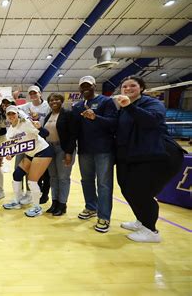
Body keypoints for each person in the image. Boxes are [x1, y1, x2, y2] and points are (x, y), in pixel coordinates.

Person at [114, 76, 185, 243]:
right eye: (125, 86)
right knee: (128, 189)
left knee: (142, 192)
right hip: (134, 156)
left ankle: (151, 231)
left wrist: (129, 106)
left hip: (158, 154)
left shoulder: (152, 103)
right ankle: (142, 221)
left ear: (141, 88)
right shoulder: (123, 108)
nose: (128, 89)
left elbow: (152, 120)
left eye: (133, 85)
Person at [72, 75, 117, 233]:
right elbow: (74, 129)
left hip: (103, 150)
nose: (85, 88)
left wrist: (95, 117)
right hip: (84, 150)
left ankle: (104, 216)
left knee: (104, 184)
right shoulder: (77, 106)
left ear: (94, 86)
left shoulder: (106, 101)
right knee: (86, 180)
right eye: (82, 86)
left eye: (88, 85)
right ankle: (91, 207)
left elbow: (114, 123)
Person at [2, 106, 53, 217]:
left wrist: (39, 127)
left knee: (32, 181)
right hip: (30, 154)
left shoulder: (26, 123)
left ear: (17, 114)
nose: (11, 116)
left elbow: (45, 134)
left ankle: (36, 207)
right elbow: (15, 146)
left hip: (42, 151)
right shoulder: (9, 131)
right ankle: (16, 201)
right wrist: (11, 154)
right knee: (17, 174)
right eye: (9, 114)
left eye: (13, 114)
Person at [43, 93, 76, 216]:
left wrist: (69, 152)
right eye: (51, 100)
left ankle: (62, 205)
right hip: (50, 149)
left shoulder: (68, 114)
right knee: (53, 177)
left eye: (56, 99)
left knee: (63, 178)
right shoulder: (48, 116)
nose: (54, 102)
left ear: (61, 101)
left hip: (63, 149)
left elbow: (73, 135)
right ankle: (54, 203)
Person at [18, 85, 51, 204]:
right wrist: (27, 116)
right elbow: (15, 109)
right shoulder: (27, 106)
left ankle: (45, 194)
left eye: (35, 93)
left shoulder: (47, 105)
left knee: (46, 172)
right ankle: (34, 193)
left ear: (40, 93)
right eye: (30, 94)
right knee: (35, 171)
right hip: (32, 140)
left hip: (45, 138)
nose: (33, 95)